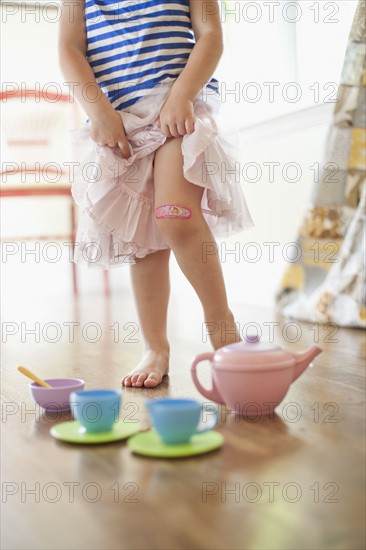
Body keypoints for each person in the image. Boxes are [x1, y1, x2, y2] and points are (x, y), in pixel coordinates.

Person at [58, 0, 254, 388]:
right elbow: (69, 47)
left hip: (176, 106)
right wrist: (98, 111)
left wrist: (182, 95)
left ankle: (221, 325)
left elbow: (211, 34)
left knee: (173, 213)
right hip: (119, 121)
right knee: (142, 236)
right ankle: (155, 347)